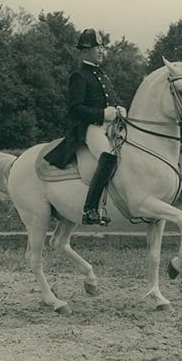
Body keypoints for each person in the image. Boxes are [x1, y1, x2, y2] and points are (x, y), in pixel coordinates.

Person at [44, 28, 127, 225]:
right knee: (108, 158)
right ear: (84, 51)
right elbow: (74, 109)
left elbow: (109, 101)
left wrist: (119, 109)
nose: (101, 51)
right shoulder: (79, 76)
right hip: (93, 129)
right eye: (97, 47)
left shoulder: (102, 75)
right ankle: (90, 209)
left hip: (111, 128)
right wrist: (101, 114)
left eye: (102, 47)